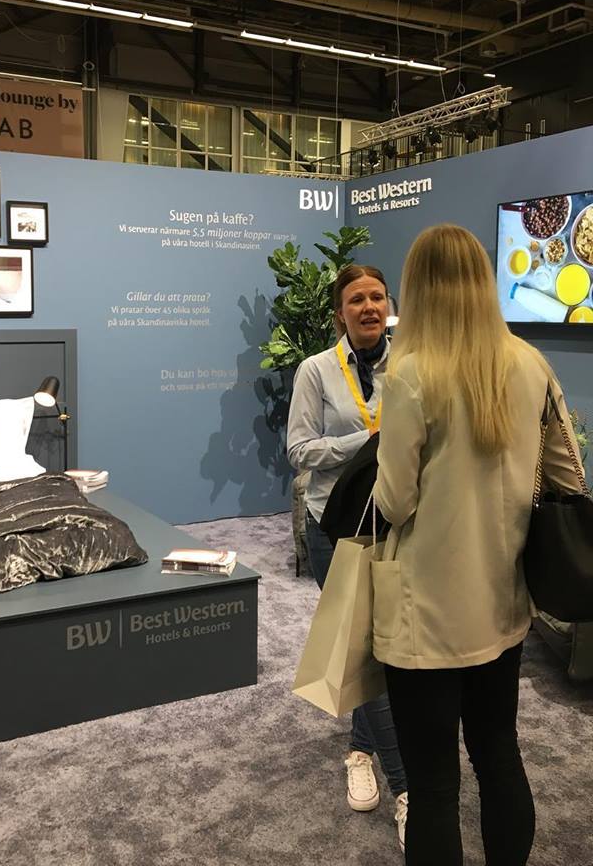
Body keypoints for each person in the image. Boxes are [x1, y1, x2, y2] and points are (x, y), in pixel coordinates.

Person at [372, 224, 585, 866]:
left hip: (425, 613)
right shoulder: (530, 363)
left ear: (419, 287)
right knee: (498, 754)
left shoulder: (411, 374)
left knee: (434, 783)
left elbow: (395, 502)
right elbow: (568, 475)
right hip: (503, 602)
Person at [287, 264, 408, 850]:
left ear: (389, 306)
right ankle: (407, 787)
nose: (368, 307)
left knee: (380, 646)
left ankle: (360, 749)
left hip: (397, 524)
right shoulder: (315, 370)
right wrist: (370, 440)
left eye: (376, 297)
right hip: (334, 526)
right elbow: (299, 451)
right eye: (356, 299)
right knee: (365, 645)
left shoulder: (409, 365)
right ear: (340, 313)